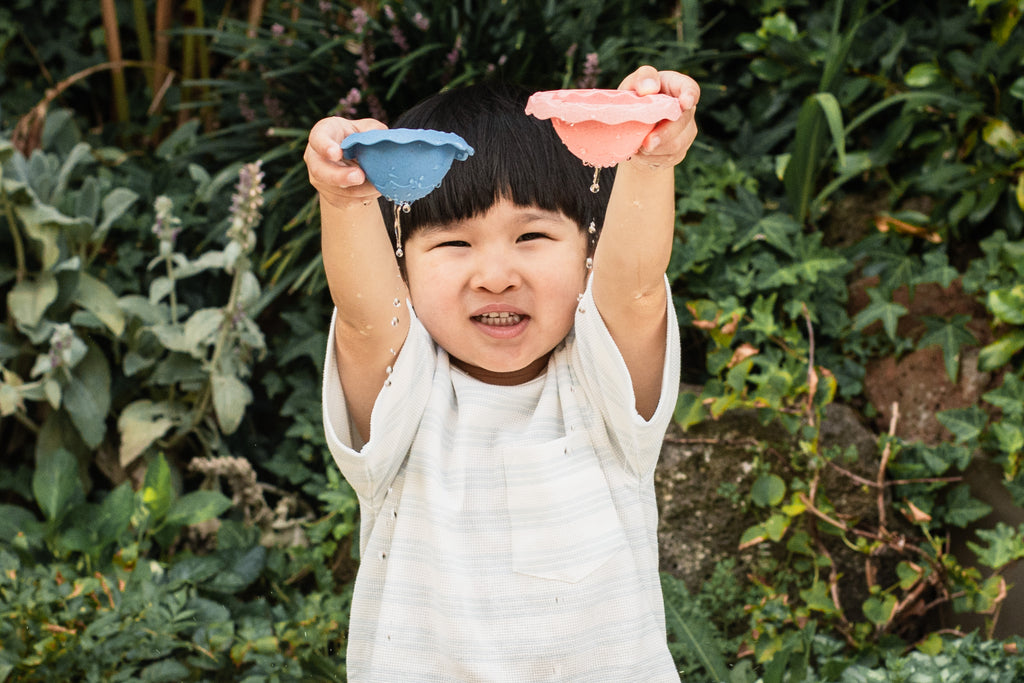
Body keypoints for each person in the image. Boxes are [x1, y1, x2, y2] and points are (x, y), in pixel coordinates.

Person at [304, 64, 700, 682]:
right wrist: (346, 198)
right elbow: (365, 323)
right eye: (453, 245)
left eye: (533, 235)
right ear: (400, 270)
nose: (495, 274)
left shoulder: (604, 391)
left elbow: (637, 290)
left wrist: (648, 160)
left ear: (589, 251)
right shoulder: (405, 402)